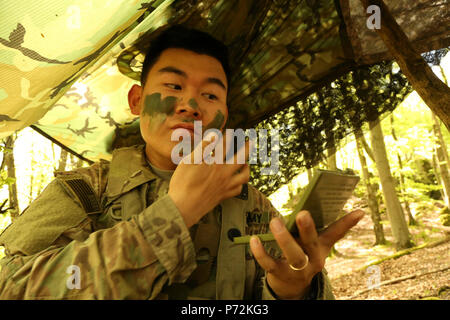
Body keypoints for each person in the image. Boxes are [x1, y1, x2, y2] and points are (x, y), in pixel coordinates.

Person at [0, 25, 364, 299]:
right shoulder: (84, 191)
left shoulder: (250, 203)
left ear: (223, 115)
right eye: (173, 87)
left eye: (209, 94)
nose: (190, 105)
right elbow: (12, 287)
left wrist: (290, 291)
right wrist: (178, 213)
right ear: (137, 101)